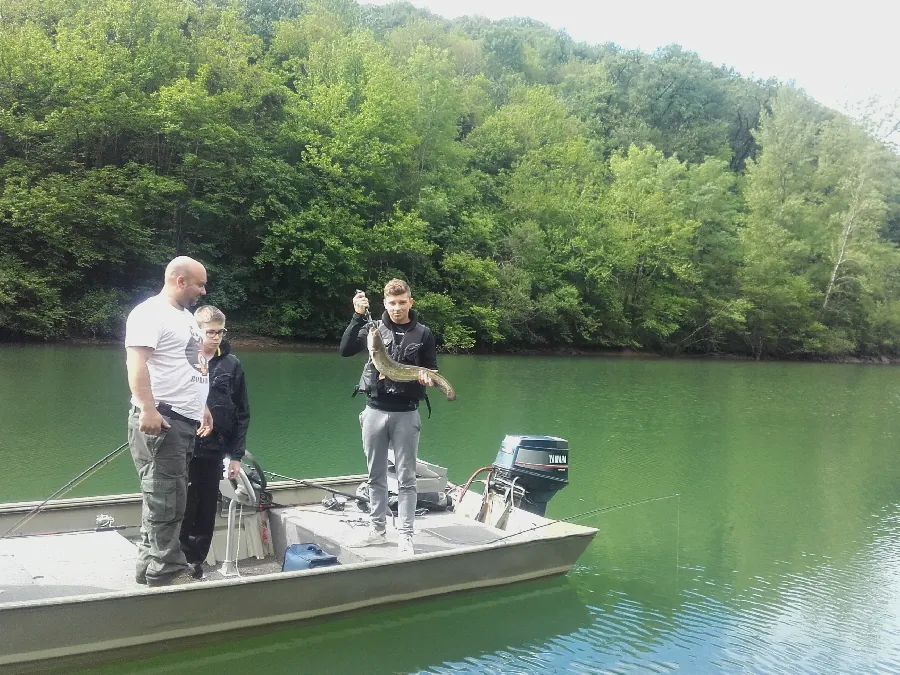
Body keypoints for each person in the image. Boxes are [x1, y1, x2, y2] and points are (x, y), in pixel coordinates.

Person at [125, 256, 214, 587]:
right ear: (180, 281)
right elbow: (136, 363)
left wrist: (201, 405)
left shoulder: (185, 317)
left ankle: (149, 565)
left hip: (183, 420)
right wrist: (148, 409)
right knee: (166, 496)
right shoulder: (150, 313)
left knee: (166, 494)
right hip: (163, 421)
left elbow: (190, 364)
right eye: (199, 284)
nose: (203, 291)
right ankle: (167, 571)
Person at [339, 279, 438, 556]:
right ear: (384, 303)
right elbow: (345, 349)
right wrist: (357, 316)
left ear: (410, 302)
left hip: (406, 413)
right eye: (392, 303)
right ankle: (377, 530)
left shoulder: (424, 334)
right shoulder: (373, 330)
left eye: (402, 302)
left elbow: (431, 367)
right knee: (375, 475)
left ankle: (405, 535)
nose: (397, 308)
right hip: (374, 410)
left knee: (407, 478)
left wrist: (426, 378)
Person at [179, 305, 250, 578]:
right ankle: (176, 559)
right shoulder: (182, 359)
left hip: (216, 448)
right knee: (183, 503)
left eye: (220, 332)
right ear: (197, 331)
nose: (216, 337)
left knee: (206, 508)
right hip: (184, 446)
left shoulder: (232, 364)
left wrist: (235, 455)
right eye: (210, 332)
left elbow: (242, 413)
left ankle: (196, 563)